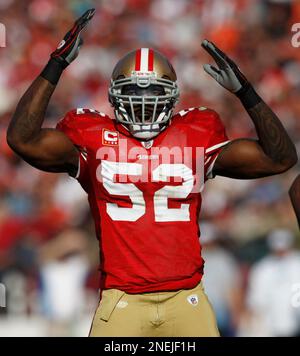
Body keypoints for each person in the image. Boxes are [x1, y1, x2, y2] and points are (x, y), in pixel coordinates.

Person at [6, 9, 297, 337]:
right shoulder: (92, 137)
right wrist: (55, 64)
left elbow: (280, 159)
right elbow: (22, 139)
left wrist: (247, 92)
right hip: (123, 299)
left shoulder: (194, 134)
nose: (143, 103)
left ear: (171, 96)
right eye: (134, 93)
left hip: (186, 297)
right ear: (115, 95)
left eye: (152, 93)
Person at [244, 229, 300, 337]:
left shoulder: (297, 262)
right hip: (271, 323)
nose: (281, 252)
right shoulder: (262, 268)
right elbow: (256, 299)